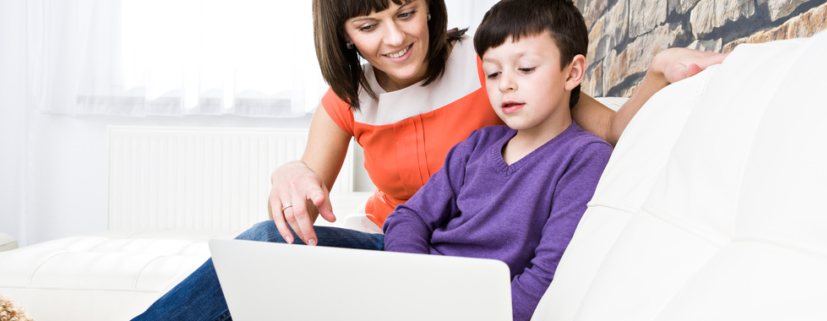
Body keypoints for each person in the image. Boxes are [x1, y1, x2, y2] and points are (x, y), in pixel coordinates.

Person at [134, 0, 726, 319]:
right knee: (266, 243)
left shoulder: (490, 56)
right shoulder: (350, 100)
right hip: (399, 250)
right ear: (345, 34)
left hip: (462, 278)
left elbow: (611, 129)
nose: (393, 38)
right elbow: (328, 199)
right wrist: (290, 171)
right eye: (368, 25)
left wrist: (656, 74)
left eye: (406, 13)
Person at [382, 0, 609, 319]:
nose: (505, 84)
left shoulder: (584, 158)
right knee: (292, 247)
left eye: (526, 68)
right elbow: (409, 217)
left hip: (476, 307)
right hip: (416, 283)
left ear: (572, 73)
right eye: (492, 73)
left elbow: (545, 278)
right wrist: (414, 282)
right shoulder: (478, 144)